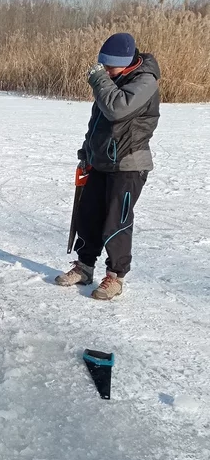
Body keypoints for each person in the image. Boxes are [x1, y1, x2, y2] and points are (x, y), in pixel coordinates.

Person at [55, 32, 160, 300]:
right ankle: (84, 266)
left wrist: (100, 79)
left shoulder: (145, 81)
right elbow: (99, 124)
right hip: (100, 161)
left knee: (117, 221)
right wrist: (87, 150)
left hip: (128, 164)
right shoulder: (113, 81)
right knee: (88, 215)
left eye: (111, 66)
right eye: (105, 66)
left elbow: (117, 108)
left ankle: (115, 276)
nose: (107, 71)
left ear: (127, 62)